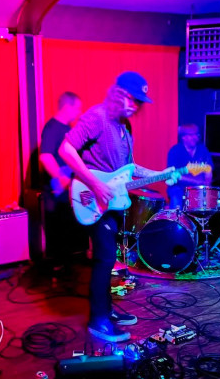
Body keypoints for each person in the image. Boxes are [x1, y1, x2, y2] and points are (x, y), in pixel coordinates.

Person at [59, 71, 180, 342]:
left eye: (139, 102)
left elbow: (130, 168)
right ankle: (98, 321)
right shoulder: (97, 116)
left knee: (108, 258)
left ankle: (106, 311)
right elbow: (66, 149)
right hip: (91, 197)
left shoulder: (125, 127)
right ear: (117, 94)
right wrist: (95, 183)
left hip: (111, 202)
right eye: (132, 99)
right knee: (104, 258)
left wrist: (160, 174)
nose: (135, 106)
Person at [39, 92, 88, 272]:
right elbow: (45, 156)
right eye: (77, 108)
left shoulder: (68, 129)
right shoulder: (52, 127)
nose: (79, 112)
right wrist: (62, 178)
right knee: (59, 230)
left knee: (69, 229)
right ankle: (60, 269)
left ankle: (69, 266)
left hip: (68, 190)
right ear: (67, 107)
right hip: (58, 192)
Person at [166, 123, 213, 209]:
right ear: (183, 137)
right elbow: (174, 175)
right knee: (176, 196)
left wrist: (206, 186)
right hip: (179, 188)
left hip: (199, 188)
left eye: (197, 134)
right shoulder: (175, 151)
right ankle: (176, 216)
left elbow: (209, 170)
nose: (196, 137)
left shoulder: (202, 150)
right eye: (192, 135)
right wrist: (196, 182)